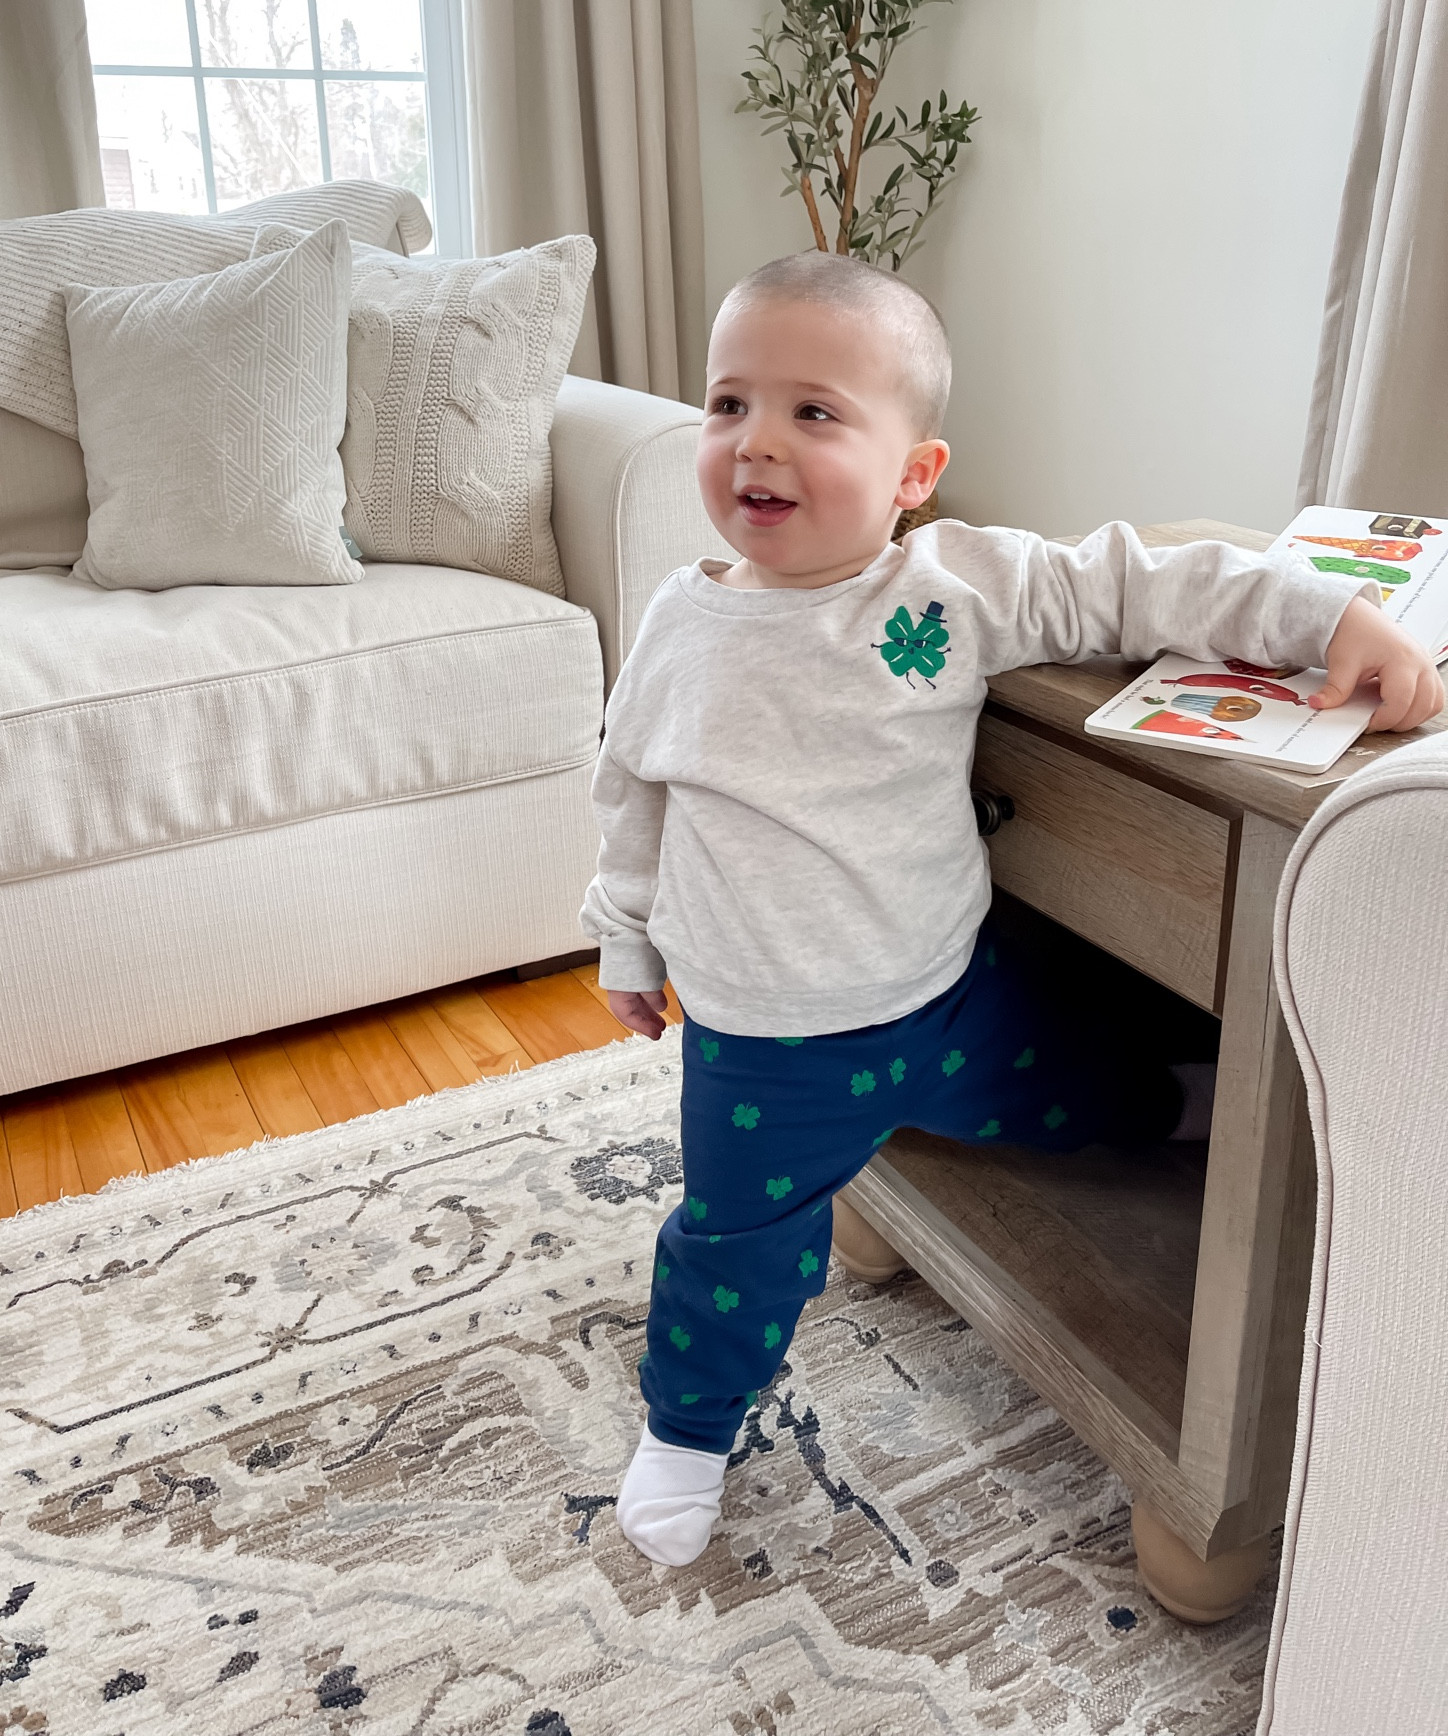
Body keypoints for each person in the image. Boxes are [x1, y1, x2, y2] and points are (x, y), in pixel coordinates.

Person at [579, 253, 1444, 1568]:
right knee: (736, 1245)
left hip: (942, 997)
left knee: (1071, 1096)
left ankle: (1174, 1100)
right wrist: (625, 941)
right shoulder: (678, 626)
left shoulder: (950, 589)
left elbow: (1145, 581)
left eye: (814, 412)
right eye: (727, 403)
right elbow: (629, 793)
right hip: (762, 1048)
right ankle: (687, 1428)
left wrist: (1333, 619)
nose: (757, 443)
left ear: (915, 473)